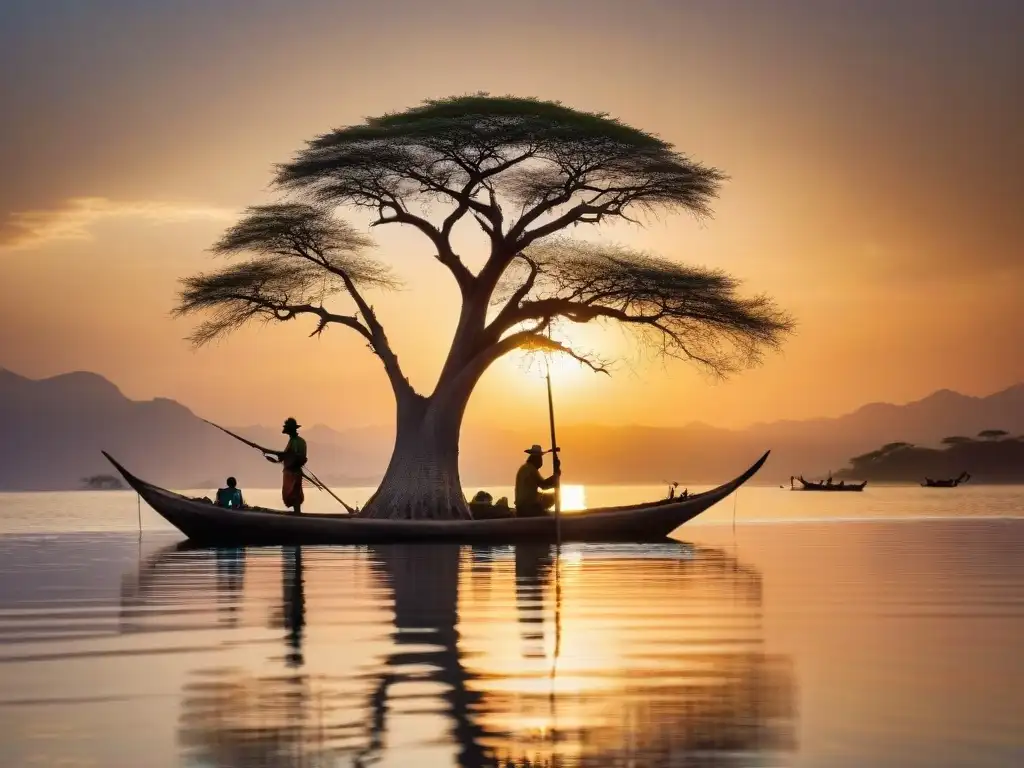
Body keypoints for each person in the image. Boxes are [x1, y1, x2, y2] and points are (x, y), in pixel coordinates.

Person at [265, 417, 307, 514]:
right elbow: (289, 455)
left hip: (293, 471)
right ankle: (297, 513)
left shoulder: (296, 441)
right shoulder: (294, 440)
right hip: (293, 471)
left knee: (294, 493)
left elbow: (294, 455)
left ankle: (297, 513)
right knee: (293, 492)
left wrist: (282, 455)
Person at [514, 444, 561, 517]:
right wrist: (556, 475)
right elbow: (544, 485)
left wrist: (555, 476)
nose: (541, 461)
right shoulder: (531, 470)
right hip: (528, 507)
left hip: (521, 506)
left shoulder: (525, 468)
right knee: (554, 496)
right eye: (540, 458)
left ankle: (540, 511)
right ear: (536, 459)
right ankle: (539, 514)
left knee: (544, 496)